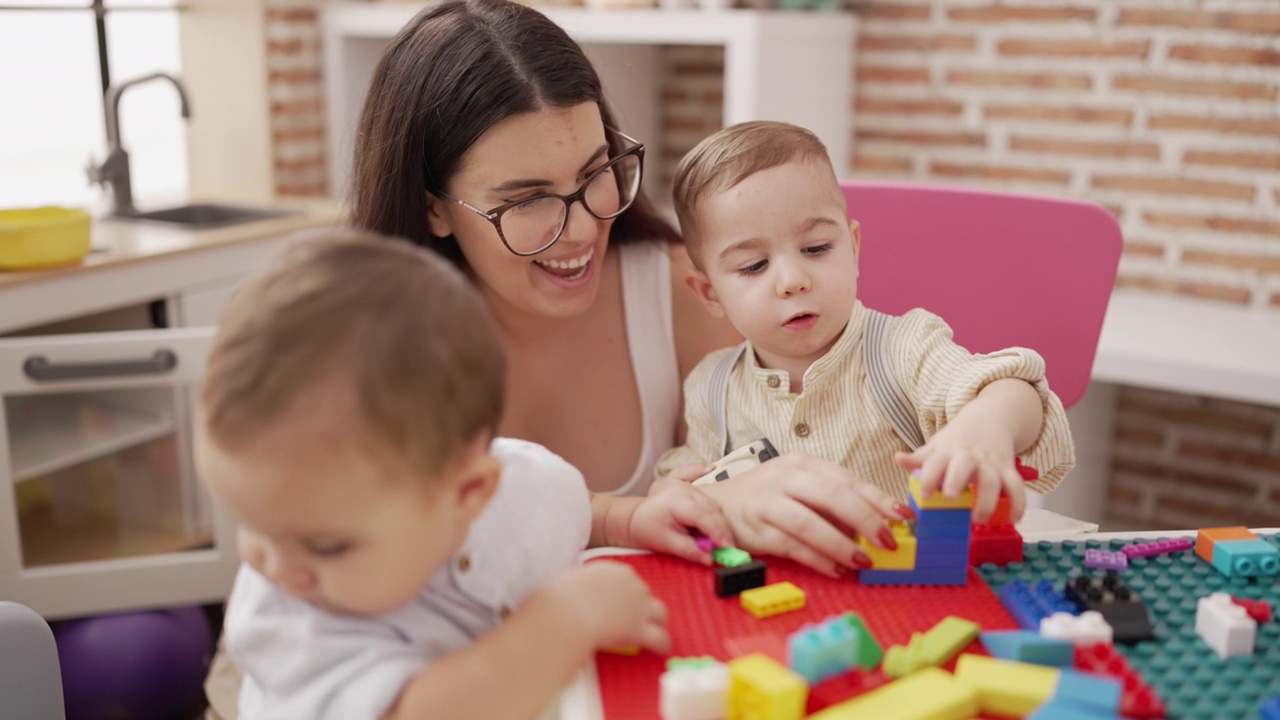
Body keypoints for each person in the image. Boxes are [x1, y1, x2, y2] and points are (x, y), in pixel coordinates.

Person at [197, 231, 734, 719]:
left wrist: (631, 518)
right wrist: (563, 623)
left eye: (324, 545)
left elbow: (568, 507)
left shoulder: (517, 483)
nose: (269, 563)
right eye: (250, 522)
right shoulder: (289, 621)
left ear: (470, 493)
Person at [657, 120, 1076, 525]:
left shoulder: (904, 348)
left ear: (853, 248)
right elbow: (693, 492)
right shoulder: (710, 388)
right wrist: (670, 495)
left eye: (817, 248)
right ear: (710, 293)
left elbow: (1017, 394)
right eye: (754, 266)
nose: (792, 281)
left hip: (907, 585)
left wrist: (988, 425)